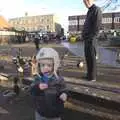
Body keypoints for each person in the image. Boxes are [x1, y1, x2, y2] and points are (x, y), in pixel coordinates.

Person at [30, 48, 68, 120]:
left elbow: (64, 89)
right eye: (42, 65)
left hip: (55, 112)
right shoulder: (37, 79)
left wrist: (64, 94)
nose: (45, 68)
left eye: (49, 65)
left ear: (55, 66)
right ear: (39, 66)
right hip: (41, 112)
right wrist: (37, 88)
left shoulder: (59, 80)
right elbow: (31, 91)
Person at [82, 0, 102, 81]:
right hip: (86, 38)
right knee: (88, 57)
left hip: (91, 39)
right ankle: (89, 75)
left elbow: (97, 26)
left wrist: (92, 37)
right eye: (84, 2)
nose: (85, 3)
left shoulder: (97, 9)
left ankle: (93, 77)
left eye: (87, 1)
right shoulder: (89, 11)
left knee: (92, 58)